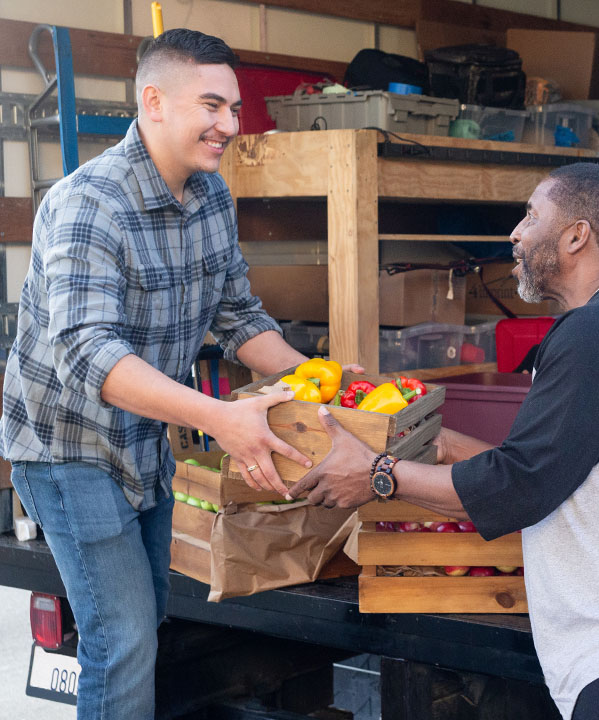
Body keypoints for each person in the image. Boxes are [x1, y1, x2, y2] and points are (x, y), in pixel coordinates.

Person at [287, 163, 599, 720]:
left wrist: (379, 473)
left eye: (532, 215)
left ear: (576, 235)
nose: (515, 233)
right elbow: (562, 468)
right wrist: (438, 445)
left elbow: (522, 485)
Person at [0, 29, 325, 720]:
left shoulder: (210, 198)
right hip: (69, 449)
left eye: (234, 109)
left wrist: (320, 380)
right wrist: (220, 419)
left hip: (145, 441)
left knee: (143, 633)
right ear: (153, 101)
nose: (229, 126)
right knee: (121, 644)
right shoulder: (89, 203)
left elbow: (239, 316)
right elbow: (91, 355)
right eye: (213, 105)